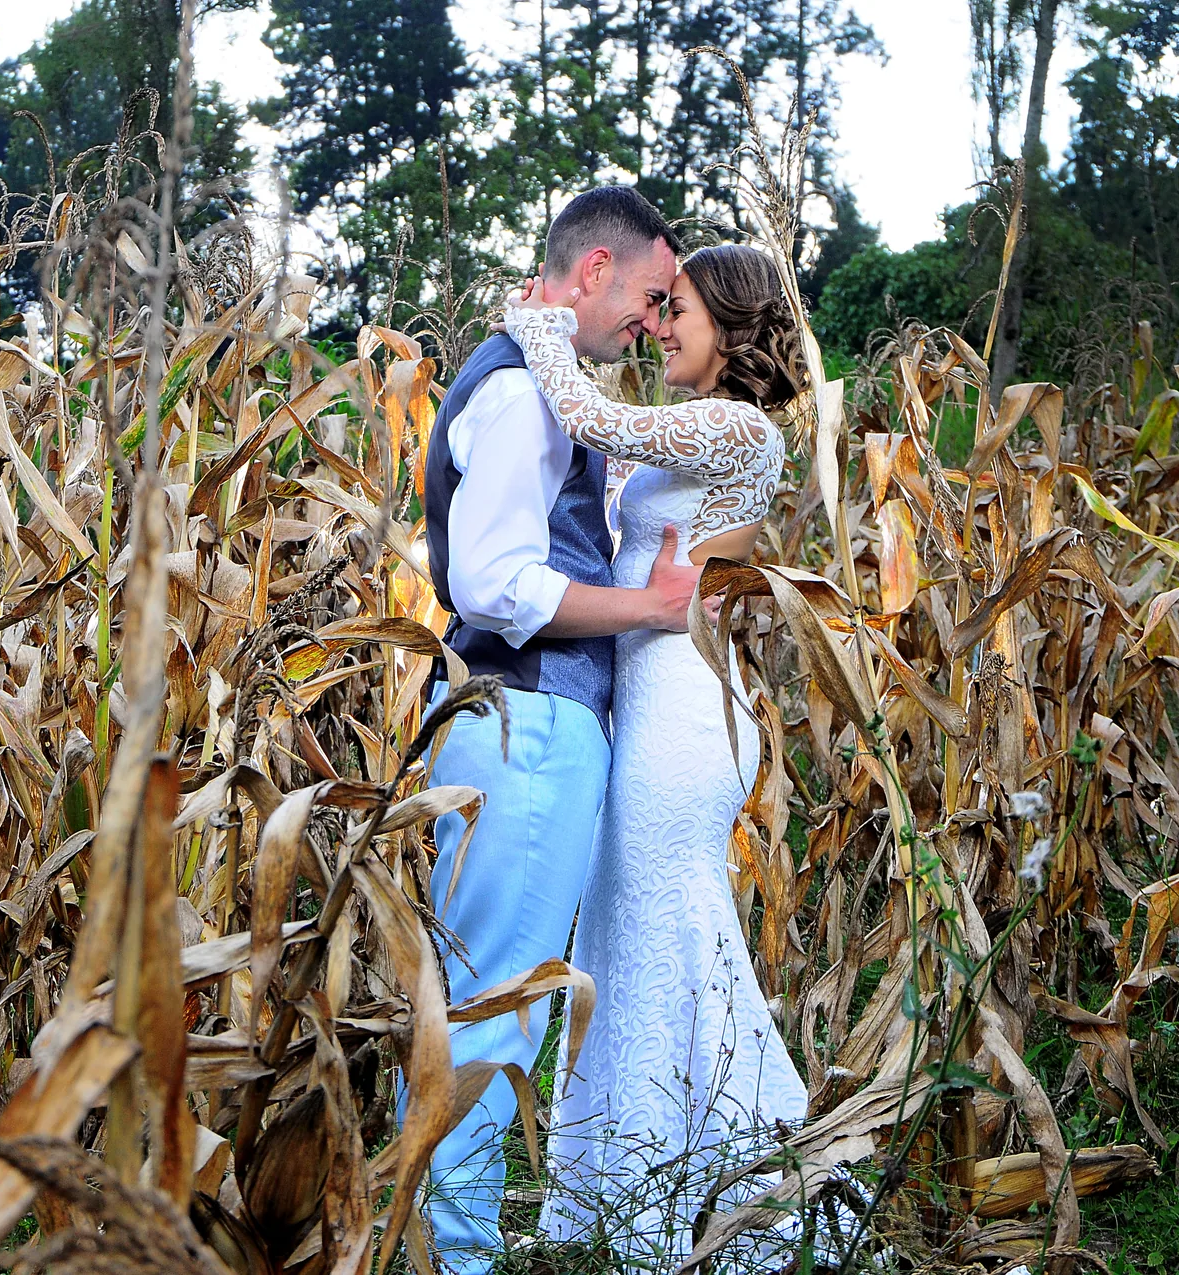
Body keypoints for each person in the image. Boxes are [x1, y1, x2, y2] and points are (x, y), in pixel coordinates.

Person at [417, 185, 710, 1275]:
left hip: (516, 722)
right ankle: (457, 1257)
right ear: (593, 272)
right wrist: (648, 609)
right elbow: (494, 581)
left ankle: (436, 1238)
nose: (650, 320)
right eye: (649, 295)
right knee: (497, 1007)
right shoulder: (524, 394)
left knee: (484, 995)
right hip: (527, 724)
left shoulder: (546, 386)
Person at [504, 243, 809, 1266]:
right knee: (627, 931)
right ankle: (621, 1197)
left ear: (731, 323)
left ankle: (720, 1198)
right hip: (646, 705)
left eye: (677, 309)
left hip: (682, 711)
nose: (659, 326)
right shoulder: (700, 432)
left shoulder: (738, 425)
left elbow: (591, 417)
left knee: (671, 929)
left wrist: (541, 322)